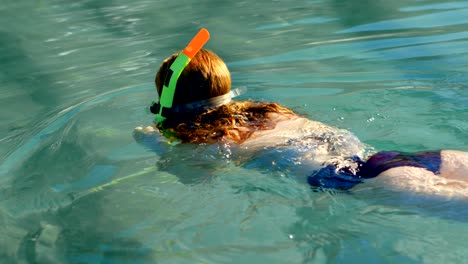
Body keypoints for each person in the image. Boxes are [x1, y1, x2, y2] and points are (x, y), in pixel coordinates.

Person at [135, 29, 468, 197]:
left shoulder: (203, 140)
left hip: (352, 182)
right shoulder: (266, 110)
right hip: (389, 160)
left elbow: (195, 177)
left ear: (166, 99)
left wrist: (154, 141)